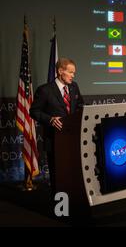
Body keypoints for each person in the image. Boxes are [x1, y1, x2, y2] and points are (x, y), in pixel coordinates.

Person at [30, 58, 84, 190]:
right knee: (58, 177)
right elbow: (34, 111)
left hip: (73, 138)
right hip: (54, 140)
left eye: (74, 73)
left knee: (73, 174)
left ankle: (73, 203)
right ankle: (60, 207)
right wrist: (50, 119)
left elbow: (80, 105)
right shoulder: (45, 90)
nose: (73, 75)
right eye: (70, 72)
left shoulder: (74, 87)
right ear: (60, 71)